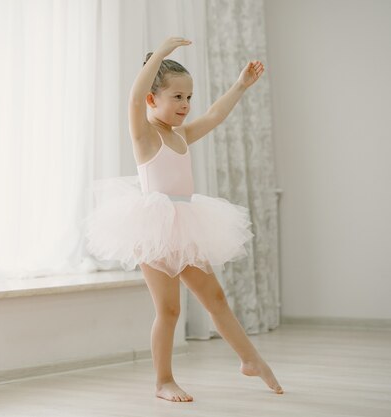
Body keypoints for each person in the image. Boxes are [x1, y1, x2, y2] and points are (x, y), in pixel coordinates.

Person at [84, 37, 283, 402]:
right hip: (154, 229)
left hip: (187, 226)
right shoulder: (144, 135)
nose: (186, 105)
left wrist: (239, 85)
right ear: (152, 99)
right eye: (177, 97)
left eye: (188, 97)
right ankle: (163, 381)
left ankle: (251, 360)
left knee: (216, 298)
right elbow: (132, 98)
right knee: (169, 309)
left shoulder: (182, 135)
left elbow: (214, 116)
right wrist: (160, 54)